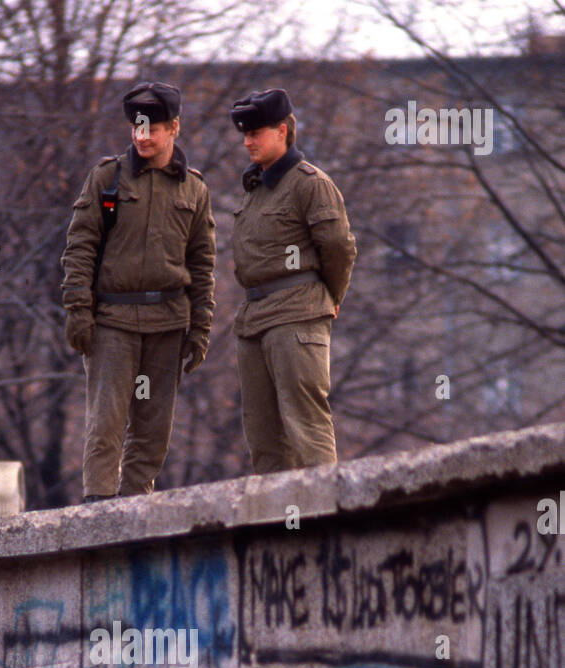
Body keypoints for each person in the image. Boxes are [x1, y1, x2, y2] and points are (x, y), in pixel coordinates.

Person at [61, 81, 216, 501]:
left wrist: (201, 327)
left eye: (152, 128)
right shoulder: (107, 179)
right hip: (113, 324)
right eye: (136, 128)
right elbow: (80, 247)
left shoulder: (194, 190)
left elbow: (202, 266)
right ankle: (97, 513)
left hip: (167, 326)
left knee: (151, 432)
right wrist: (78, 308)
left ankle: (134, 515)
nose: (142, 137)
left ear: (174, 128)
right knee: (106, 426)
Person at [229, 88, 356, 472]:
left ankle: (323, 525)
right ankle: (278, 529)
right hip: (255, 317)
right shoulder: (256, 188)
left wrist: (331, 296)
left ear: (283, 131)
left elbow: (338, 248)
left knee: (306, 427)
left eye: (256, 133)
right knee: (263, 439)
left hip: (297, 313)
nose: (248, 142)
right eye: (245, 134)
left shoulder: (309, 183)